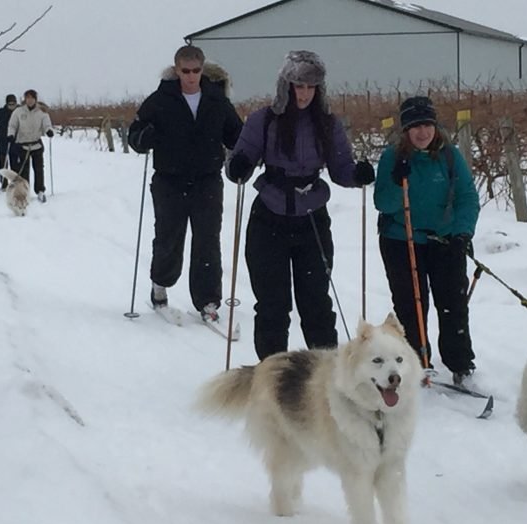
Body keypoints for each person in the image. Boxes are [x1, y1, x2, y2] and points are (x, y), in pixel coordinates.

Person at [225, 50, 375, 360]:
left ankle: (325, 376)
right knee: (272, 304)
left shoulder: (328, 124)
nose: (305, 94)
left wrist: (356, 175)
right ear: (286, 86)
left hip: (311, 220)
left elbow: (340, 169)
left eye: (311, 87)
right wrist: (237, 166)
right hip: (269, 218)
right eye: (299, 86)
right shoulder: (263, 120)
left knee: (316, 302)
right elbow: (241, 159)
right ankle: (272, 375)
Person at [128, 46, 243, 326]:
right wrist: (143, 137)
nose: (191, 77)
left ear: (202, 70)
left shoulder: (217, 100)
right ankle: (160, 289)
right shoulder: (159, 100)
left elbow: (236, 135)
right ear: (177, 70)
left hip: (207, 181)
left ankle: (208, 301)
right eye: (185, 71)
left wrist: (244, 157)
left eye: (196, 71)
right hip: (169, 180)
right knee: (169, 237)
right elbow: (135, 135)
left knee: (207, 241)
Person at [373, 96, 480, 385]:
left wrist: (462, 232)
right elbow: (383, 203)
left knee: (453, 303)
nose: (422, 132)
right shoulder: (392, 157)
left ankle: (461, 364)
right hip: (401, 238)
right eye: (416, 126)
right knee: (411, 304)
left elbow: (467, 198)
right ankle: (417, 361)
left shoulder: (449, 156)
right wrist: (397, 182)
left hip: (445, 239)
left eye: (427, 125)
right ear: (406, 129)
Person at [7, 89, 54, 203]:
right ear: (25, 99)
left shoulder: (42, 112)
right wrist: (11, 135)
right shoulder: (18, 111)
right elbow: (12, 125)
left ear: (35, 99)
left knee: (38, 169)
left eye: (32, 98)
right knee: (24, 171)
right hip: (22, 145)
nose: (30, 100)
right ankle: (25, 192)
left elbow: (47, 124)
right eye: (27, 98)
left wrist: (49, 131)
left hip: (36, 144)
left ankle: (40, 191)